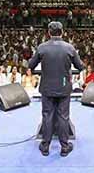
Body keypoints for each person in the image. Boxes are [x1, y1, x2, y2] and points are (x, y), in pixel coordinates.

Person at [28, 21, 84, 157]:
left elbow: (31, 64)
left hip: (47, 87)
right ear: (62, 32)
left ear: (49, 32)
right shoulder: (69, 48)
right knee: (63, 117)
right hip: (64, 86)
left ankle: (45, 146)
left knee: (47, 116)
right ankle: (64, 147)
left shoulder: (42, 48)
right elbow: (80, 66)